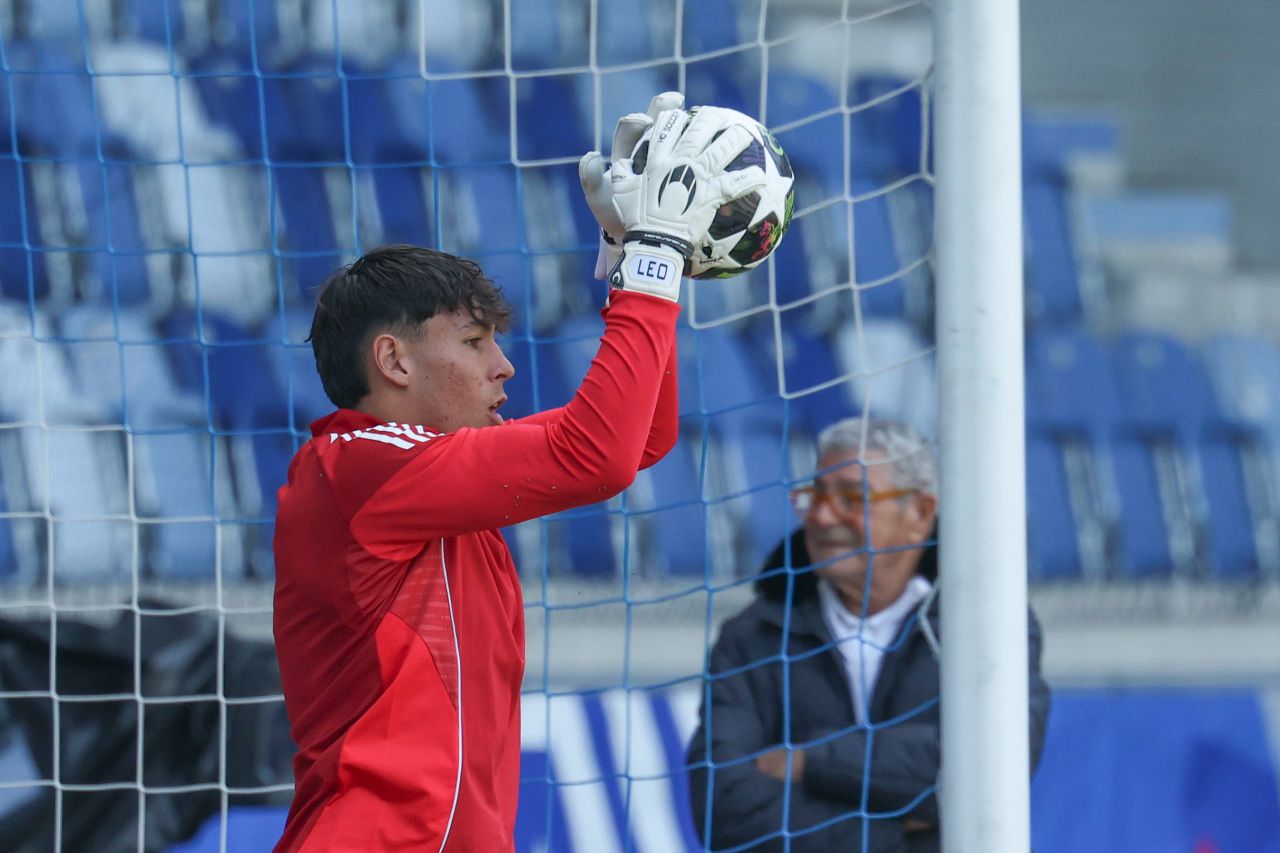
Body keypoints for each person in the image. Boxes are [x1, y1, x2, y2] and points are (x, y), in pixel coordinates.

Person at [271, 96, 768, 851]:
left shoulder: (410, 470)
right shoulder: (360, 464)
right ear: (394, 360)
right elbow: (598, 453)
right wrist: (657, 258)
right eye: (474, 342)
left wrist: (627, 254)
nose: (503, 365)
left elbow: (637, 444)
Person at [686, 417, 1051, 852]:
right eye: (815, 496)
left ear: (920, 512)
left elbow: (995, 765)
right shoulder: (751, 636)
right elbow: (724, 809)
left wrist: (808, 760)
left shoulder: (989, 627)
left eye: (850, 498)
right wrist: (895, 833)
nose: (822, 516)